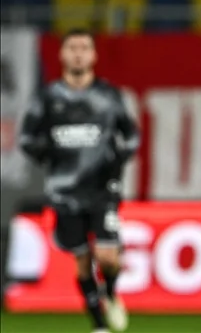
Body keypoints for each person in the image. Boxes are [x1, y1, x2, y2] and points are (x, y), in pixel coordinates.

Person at [18, 29, 139, 333]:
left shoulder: (108, 96)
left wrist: (116, 162)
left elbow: (131, 135)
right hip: (65, 192)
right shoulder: (48, 98)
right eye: (72, 48)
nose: (78, 54)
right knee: (82, 261)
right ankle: (99, 325)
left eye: (84, 48)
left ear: (93, 55)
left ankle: (110, 291)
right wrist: (51, 155)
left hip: (102, 189)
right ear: (62, 54)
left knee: (107, 256)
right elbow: (27, 138)